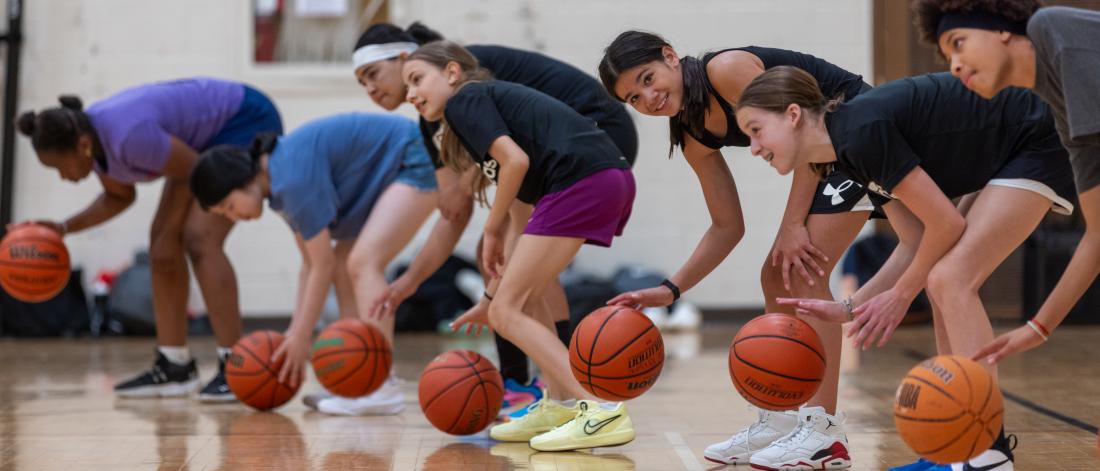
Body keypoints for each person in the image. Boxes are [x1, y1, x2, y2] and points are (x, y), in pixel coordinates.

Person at [740, 67, 1074, 471]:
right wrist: (850, 309)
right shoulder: (844, 152)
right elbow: (916, 241)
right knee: (940, 282)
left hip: (1035, 137)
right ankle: (956, 448)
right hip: (1001, 151)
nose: (754, 147)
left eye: (756, 130)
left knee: (950, 280)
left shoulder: (860, 133)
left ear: (793, 115)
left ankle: (988, 450)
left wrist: (899, 296)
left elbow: (946, 225)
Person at [598, 30, 875, 466]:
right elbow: (727, 227)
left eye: (648, 78)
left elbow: (809, 132)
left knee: (799, 272)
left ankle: (823, 433)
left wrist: (792, 225)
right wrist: (671, 290)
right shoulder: (691, 135)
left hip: (859, 130)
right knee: (777, 275)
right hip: (828, 149)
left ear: (671, 57)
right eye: (633, 98)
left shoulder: (725, 70)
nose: (648, 97)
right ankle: (782, 419)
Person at [351, 22, 638, 416]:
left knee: (510, 287)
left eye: (372, 74)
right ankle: (558, 398)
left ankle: (565, 395)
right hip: (586, 167)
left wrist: (490, 232)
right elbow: (454, 210)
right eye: (360, 82)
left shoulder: (463, 85)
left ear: (409, 59)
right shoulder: (436, 116)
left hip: (592, 141)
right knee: (517, 279)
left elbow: (513, 161)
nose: (369, 89)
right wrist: (411, 282)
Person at [14, 78, 283, 402]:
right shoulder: (95, 141)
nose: (63, 176)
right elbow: (118, 197)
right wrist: (62, 228)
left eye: (60, 166)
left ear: (82, 145)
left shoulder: (128, 137)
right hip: (200, 148)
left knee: (198, 240)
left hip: (244, 119)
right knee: (162, 249)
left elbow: (196, 171)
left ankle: (237, 365)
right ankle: (174, 366)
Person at [190, 112, 437, 416]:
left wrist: (302, 337)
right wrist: (295, 332)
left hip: (415, 156)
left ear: (242, 180)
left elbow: (322, 265)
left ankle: (380, 384)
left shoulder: (291, 180)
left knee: (362, 262)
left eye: (228, 206)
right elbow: (310, 264)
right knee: (348, 263)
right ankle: (361, 378)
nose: (232, 217)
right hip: (400, 160)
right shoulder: (277, 179)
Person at [911, 0, 1100, 367]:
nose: (954, 65)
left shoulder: (1052, 28)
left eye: (958, 42)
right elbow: (1098, 236)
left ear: (1000, 28)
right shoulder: (1062, 112)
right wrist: (1039, 327)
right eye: (947, 56)